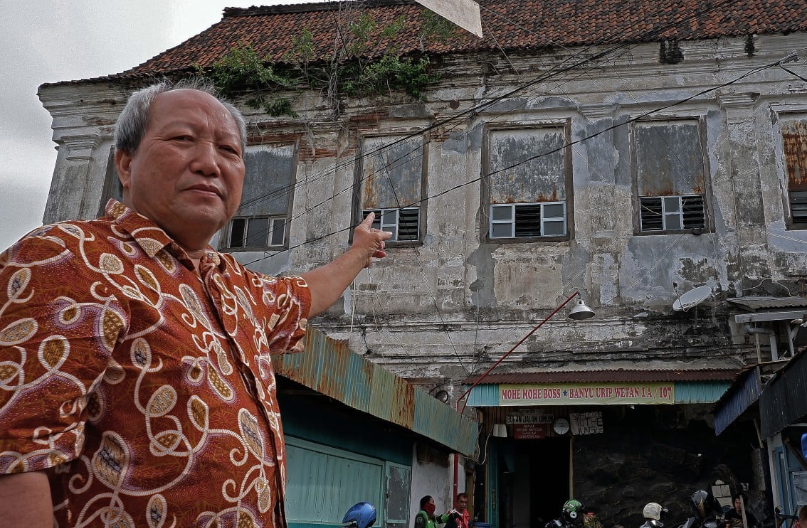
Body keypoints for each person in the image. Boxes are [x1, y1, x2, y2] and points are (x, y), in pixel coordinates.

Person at [0, 80, 392, 527]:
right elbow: (14, 452)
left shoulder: (235, 286)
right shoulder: (68, 257)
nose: (209, 163)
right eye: (182, 140)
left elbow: (306, 296)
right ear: (126, 164)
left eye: (229, 151)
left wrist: (360, 251)